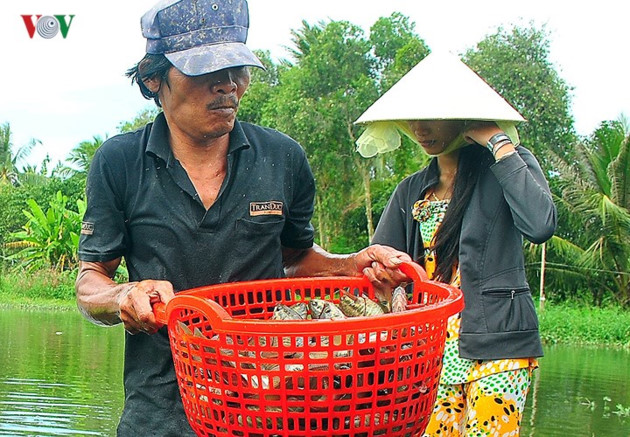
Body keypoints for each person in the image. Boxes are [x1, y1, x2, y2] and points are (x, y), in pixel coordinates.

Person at [75, 0, 410, 435]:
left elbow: (294, 259)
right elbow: (90, 280)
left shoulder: (282, 157)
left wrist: (349, 264)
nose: (228, 85)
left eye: (238, 69)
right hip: (160, 411)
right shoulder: (120, 162)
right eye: (205, 71)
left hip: (270, 405)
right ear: (154, 77)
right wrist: (124, 295)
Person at [354, 52, 557, 436]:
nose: (420, 128)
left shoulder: (508, 165)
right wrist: (384, 277)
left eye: (432, 117)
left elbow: (540, 224)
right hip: (432, 351)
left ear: (464, 116)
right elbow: (381, 263)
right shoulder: (411, 190)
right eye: (413, 118)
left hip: (499, 345)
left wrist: (498, 142)